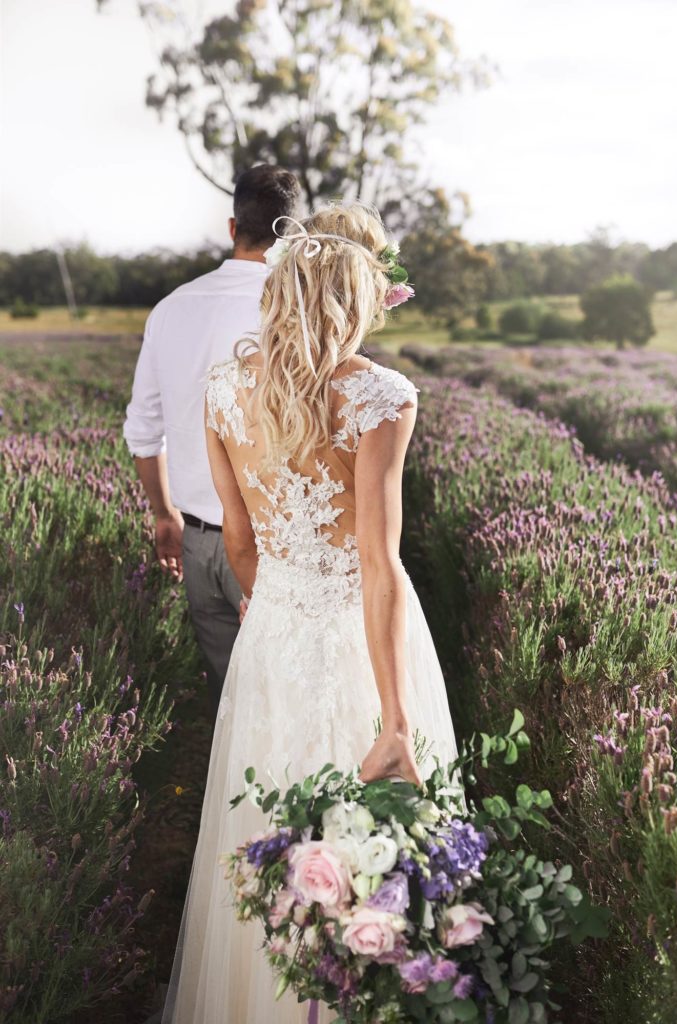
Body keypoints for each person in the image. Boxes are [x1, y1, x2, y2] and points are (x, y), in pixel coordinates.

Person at [161, 203, 457, 1024]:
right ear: (351, 301)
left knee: (264, 830)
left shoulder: (224, 389)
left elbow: (243, 541)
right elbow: (378, 562)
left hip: (272, 633)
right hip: (361, 639)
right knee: (373, 846)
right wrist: (395, 718)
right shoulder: (380, 397)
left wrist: (273, 617)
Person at [123, 165, 300, 712]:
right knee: (289, 700)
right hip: (276, 543)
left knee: (235, 703)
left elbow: (143, 431)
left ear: (232, 227)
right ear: (291, 232)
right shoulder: (293, 311)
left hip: (198, 539)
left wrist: (163, 515)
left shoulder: (172, 308)